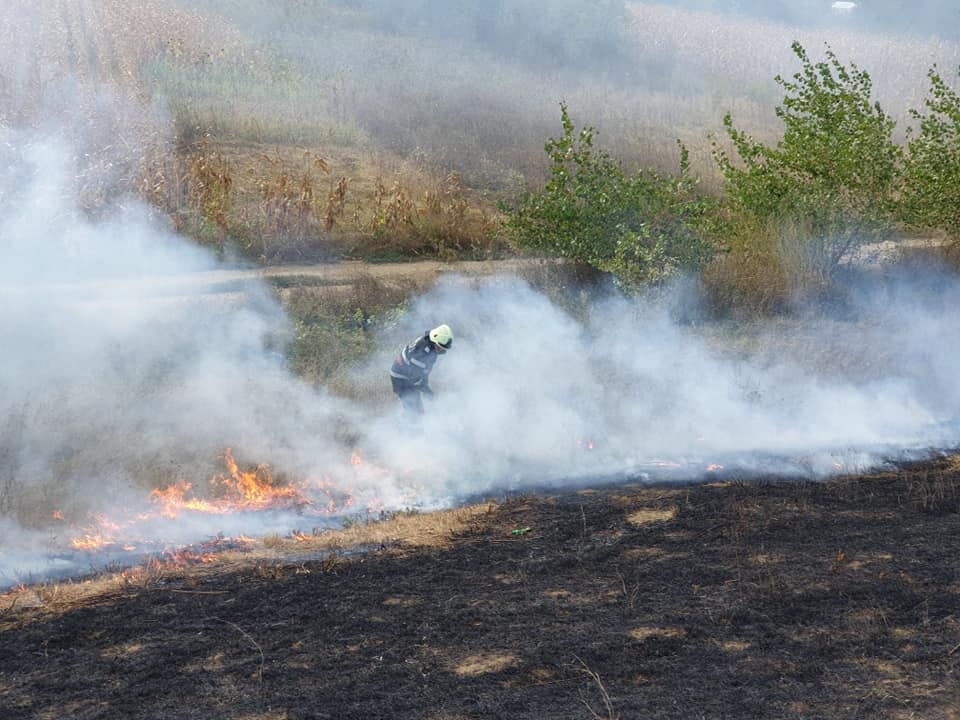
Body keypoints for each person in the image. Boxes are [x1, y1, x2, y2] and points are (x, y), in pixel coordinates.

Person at [390, 324, 453, 417]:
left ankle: (403, 424)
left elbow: (423, 372)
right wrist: (425, 390)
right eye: (439, 347)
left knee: (415, 409)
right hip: (401, 379)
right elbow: (416, 377)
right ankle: (406, 428)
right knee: (416, 412)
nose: (440, 350)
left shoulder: (428, 342)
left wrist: (426, 389)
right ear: (434, 340)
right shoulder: (423, 352)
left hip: (406, 376)